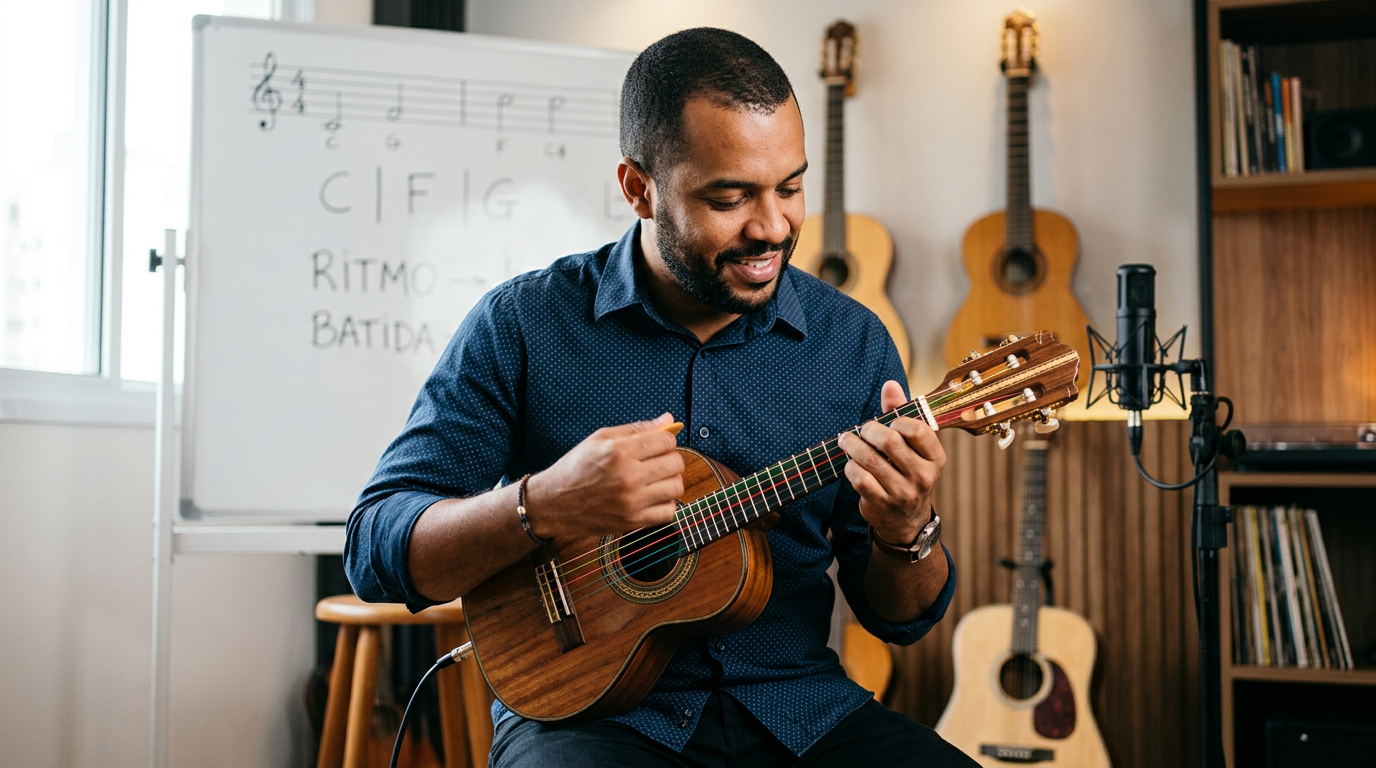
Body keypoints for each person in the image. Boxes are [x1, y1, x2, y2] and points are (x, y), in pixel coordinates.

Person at [346, 27, 975, 768]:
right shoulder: (524, 324)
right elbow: (376, 547)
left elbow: (900, 620)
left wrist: (907, 530)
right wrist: (542, 504)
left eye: (791, 187)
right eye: (729, 197)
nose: (772, 226)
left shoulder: (853, 344)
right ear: (638, 188)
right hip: (591, 723)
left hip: (802, 714)